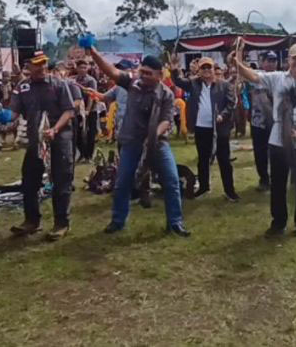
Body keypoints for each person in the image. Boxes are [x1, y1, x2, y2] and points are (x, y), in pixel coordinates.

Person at [86, 47, 190, 236]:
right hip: (131, 141)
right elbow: (111, 71)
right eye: (142, 71)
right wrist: (92, 52)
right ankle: (118, 221)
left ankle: (175, 223)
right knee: (123, 182)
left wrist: (153, 136)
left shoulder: (166, 94)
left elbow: (166, 120)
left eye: (148, 73)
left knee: (172, 181)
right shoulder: (132, 83)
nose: (143, 76)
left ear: (160, 75)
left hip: (158, 142)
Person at [233, 42, 296, 238]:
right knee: (278, 183)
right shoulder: (277, 79)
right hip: (278, 138)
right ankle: (278, 222)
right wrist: (237, 61)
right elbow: (253, 76)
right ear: (288, 60)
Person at [9, 51, 76, 241]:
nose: (41, 68)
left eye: (44, 64)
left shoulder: (59, 84)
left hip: (59, 137)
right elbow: (14, 112)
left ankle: (61, 223)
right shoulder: (22, 88)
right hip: (35, 140)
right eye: (36, 65)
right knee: (29, 181)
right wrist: (5, 118)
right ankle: (32, 221)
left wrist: (54, 129)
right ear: (28, 67)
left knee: (61, 180)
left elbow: (69, 111)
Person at [170, 55, 238, 201]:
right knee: (203, 159)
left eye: (209, 67)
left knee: (224, 160)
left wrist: (223, 116)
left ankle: (229, 190)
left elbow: (230, 104)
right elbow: (177, 81)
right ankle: (203, 186)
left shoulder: (224, 85)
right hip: (201, 127)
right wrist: (175, 69)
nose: (207, 70)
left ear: (214, 69)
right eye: (203, 68)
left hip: (219, 128)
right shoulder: (193, 83)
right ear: (199, 71)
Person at [249, 51, 277, 191]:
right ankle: (264, 179)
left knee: (277, 153)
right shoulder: (255, 76)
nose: (271, 63)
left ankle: (277, 178)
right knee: (260, 153)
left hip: (277, 123)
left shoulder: (281, 77)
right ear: (262, 62)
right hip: (258, 122)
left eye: (274, 60)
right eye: (268, 60)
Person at [74, 59, 98, 164]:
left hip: (91, 110)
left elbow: (91, 96)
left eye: (85, 67)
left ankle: (89, 156)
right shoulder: (74, 80)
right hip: (79, 111)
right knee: (78, 133)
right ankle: (82, 154)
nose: (83, 69)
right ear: (77, 68)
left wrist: (88, 110)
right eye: (81, 67)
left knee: (90, 133)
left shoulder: (91, 80)